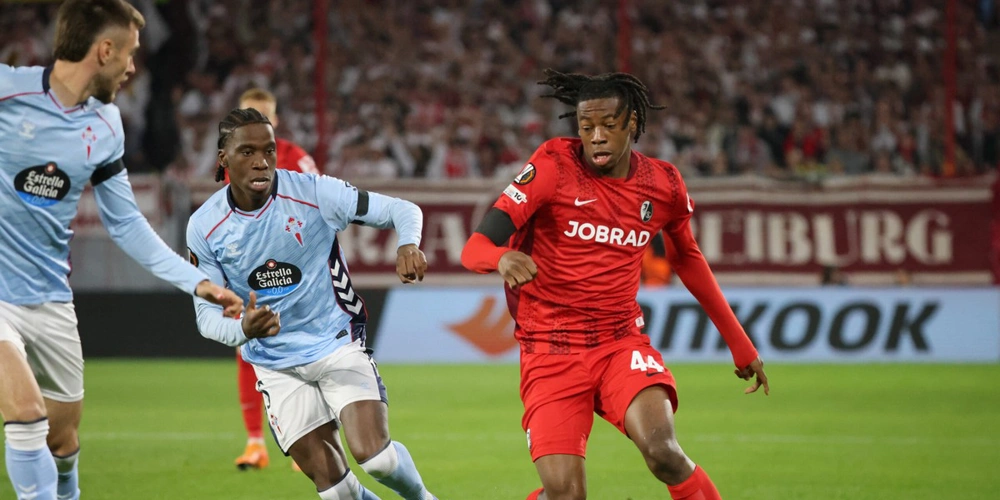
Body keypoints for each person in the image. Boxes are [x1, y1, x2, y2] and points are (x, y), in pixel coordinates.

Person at [461, 69, 770, 500]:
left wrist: (740, 343)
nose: (597, 137)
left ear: (632, 124)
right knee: (567, 495)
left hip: (620, 343)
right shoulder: (552, 167)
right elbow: (474, 248)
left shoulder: (663, 184)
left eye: (608, 125)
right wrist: (501, 257)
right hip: (549, 349)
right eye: (586, 127)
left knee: (664, 452)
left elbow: (687, 258)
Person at [0, 2, 243, 500]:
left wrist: (196, 282)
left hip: (51, 300)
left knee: (62, 442)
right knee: (26, 414)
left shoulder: (106, 124)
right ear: (104, 50)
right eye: (130, 53)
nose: (133, 67)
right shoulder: (8, 90)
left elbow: (127, 223)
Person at [186, 108, 437, 500]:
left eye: (268, 150)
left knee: (377, 460)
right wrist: (241, 329)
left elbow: (403, 209)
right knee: (337, 492)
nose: (261, 161)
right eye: (248, 152)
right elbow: (205, 317)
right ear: (224, 158)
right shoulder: (205, 227)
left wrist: (407, 243)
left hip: (335, 342)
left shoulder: (314, 193)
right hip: (275, 365)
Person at [230, 87, 318, 471]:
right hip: (250, 273)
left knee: (309, 353)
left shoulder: (296, 158)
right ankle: (255, 444)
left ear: (275, 120)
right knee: (247, 351)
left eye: (262, 116)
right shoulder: (229, 160)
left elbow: (320, 207)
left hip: (296, 273)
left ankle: (312, 441)